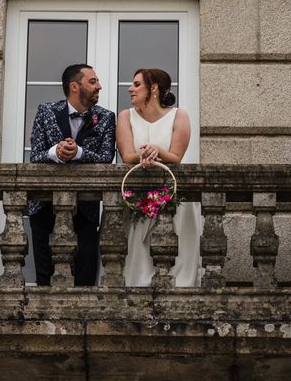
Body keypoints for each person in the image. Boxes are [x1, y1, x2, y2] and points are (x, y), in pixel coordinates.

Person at [28, 64, 116, 286]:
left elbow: (106, 157)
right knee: (44, 273)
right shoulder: (46, 111)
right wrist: (55, 152)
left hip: (85, 207)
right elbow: (36, 156)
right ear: (74, 86)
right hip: (43, 205)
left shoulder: (106, 118)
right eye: (93, 81)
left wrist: (78, 152)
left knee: (86, 269)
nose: (99, 86)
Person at [116, 68, 202, 287]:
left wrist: (157, 151)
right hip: (137, 198)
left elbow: (175, 156)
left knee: (178, 263)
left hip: (173, 197)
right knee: (134, 263)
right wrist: (143, 155)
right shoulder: (126, 116)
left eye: (136, 85)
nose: (130, 89)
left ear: (153, 88)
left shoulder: (179, 115)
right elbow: (127, 156)